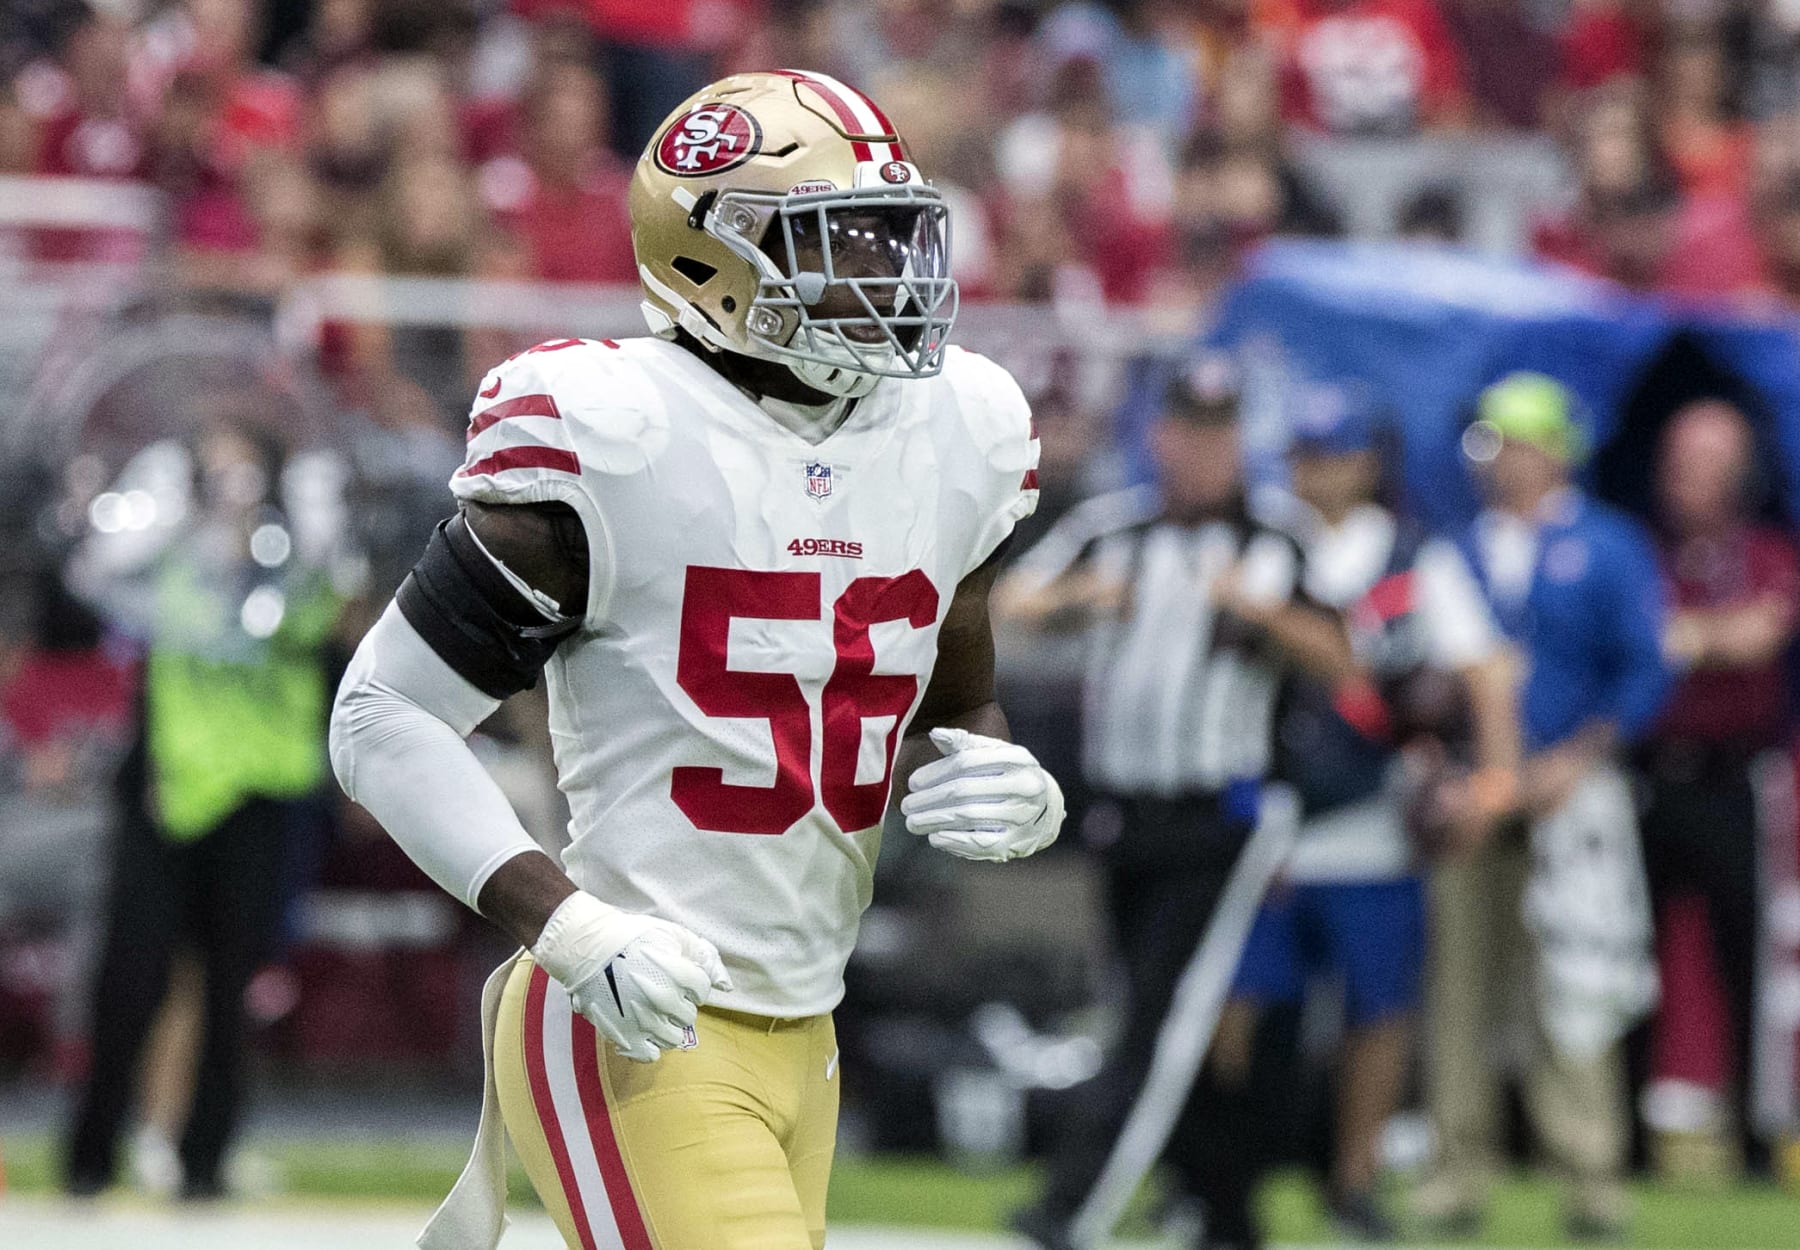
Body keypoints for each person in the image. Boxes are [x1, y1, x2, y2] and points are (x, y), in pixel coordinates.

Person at [329, 70, 1064, 1250]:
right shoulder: (616, 432)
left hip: (806, 1023)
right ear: (715, 254)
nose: (890, 271)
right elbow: (380, 714)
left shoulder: (961, 426)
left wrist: (1000, 762)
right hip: (628, 1013)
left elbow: (954, 670)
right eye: (842, 239)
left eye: (895, 233)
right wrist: (570, 930)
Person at [996, 355, 1354, 1250]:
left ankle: (1073, 1204)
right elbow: (1013, 600)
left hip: (1224, 814)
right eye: (1186, 433)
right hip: (1125, 812)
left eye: (1218, 435)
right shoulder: (1116, 527)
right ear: (1158, 437)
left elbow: (1347, 659)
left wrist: (1266, 617)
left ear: (1239, 444)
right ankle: (1224, 1209)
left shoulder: (1279, 538)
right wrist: (1085, 601)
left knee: (1161, 1014)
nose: (1199, 453)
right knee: (1161, 1014)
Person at [1218, 381, 1519, 1240]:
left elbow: (1477, 669)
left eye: (1335, 454)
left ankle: (1352, 1178)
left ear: (1369, 462)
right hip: (1265, 813)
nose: (1319, 472)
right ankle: (1223, 1169)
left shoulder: (1414, 555)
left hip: (1374, 814)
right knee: (1236, 1010)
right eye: (1306, 454)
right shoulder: (1266, 536)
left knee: (1378, 1012)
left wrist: (1494, 781)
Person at [63, 419, 347, 1199]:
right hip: (168, 792)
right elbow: (99, 581)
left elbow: (316, 616)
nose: (232, 485)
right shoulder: (171, 556)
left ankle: (205, 1163)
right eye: (216, 467)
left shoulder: (296, 564)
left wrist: (299, 527)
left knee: (231, 991)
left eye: (245, 467)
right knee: (130, 983)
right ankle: (88, 1159)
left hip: (259, 793)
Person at [1416, 372, 1669, 1240]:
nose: (1499, 461)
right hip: (1478, 796)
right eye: (1491, 444)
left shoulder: (1607, 543)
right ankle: (1458, 1166)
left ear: (1554, 447)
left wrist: (1580, 755)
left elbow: (1642, 667)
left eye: (1514, 442)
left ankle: (1591, 1168)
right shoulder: (1460, 548)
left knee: (1576, 974)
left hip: (1573, 793)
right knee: (1460, 986)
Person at [1643, 399, 1799, 1177]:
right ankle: (1624, 1139)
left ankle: (1755, 1137)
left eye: (1703, 461)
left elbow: (1760, 634)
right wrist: (1707, 637)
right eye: (1678, 460)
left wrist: (1682, 639)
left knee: (1744, 959)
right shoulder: (1639, 552)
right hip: (1646, 774)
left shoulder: (1765, 551)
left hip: (1731, 776)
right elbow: (1640, 642)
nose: (1685, 478)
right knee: (1627, 959)